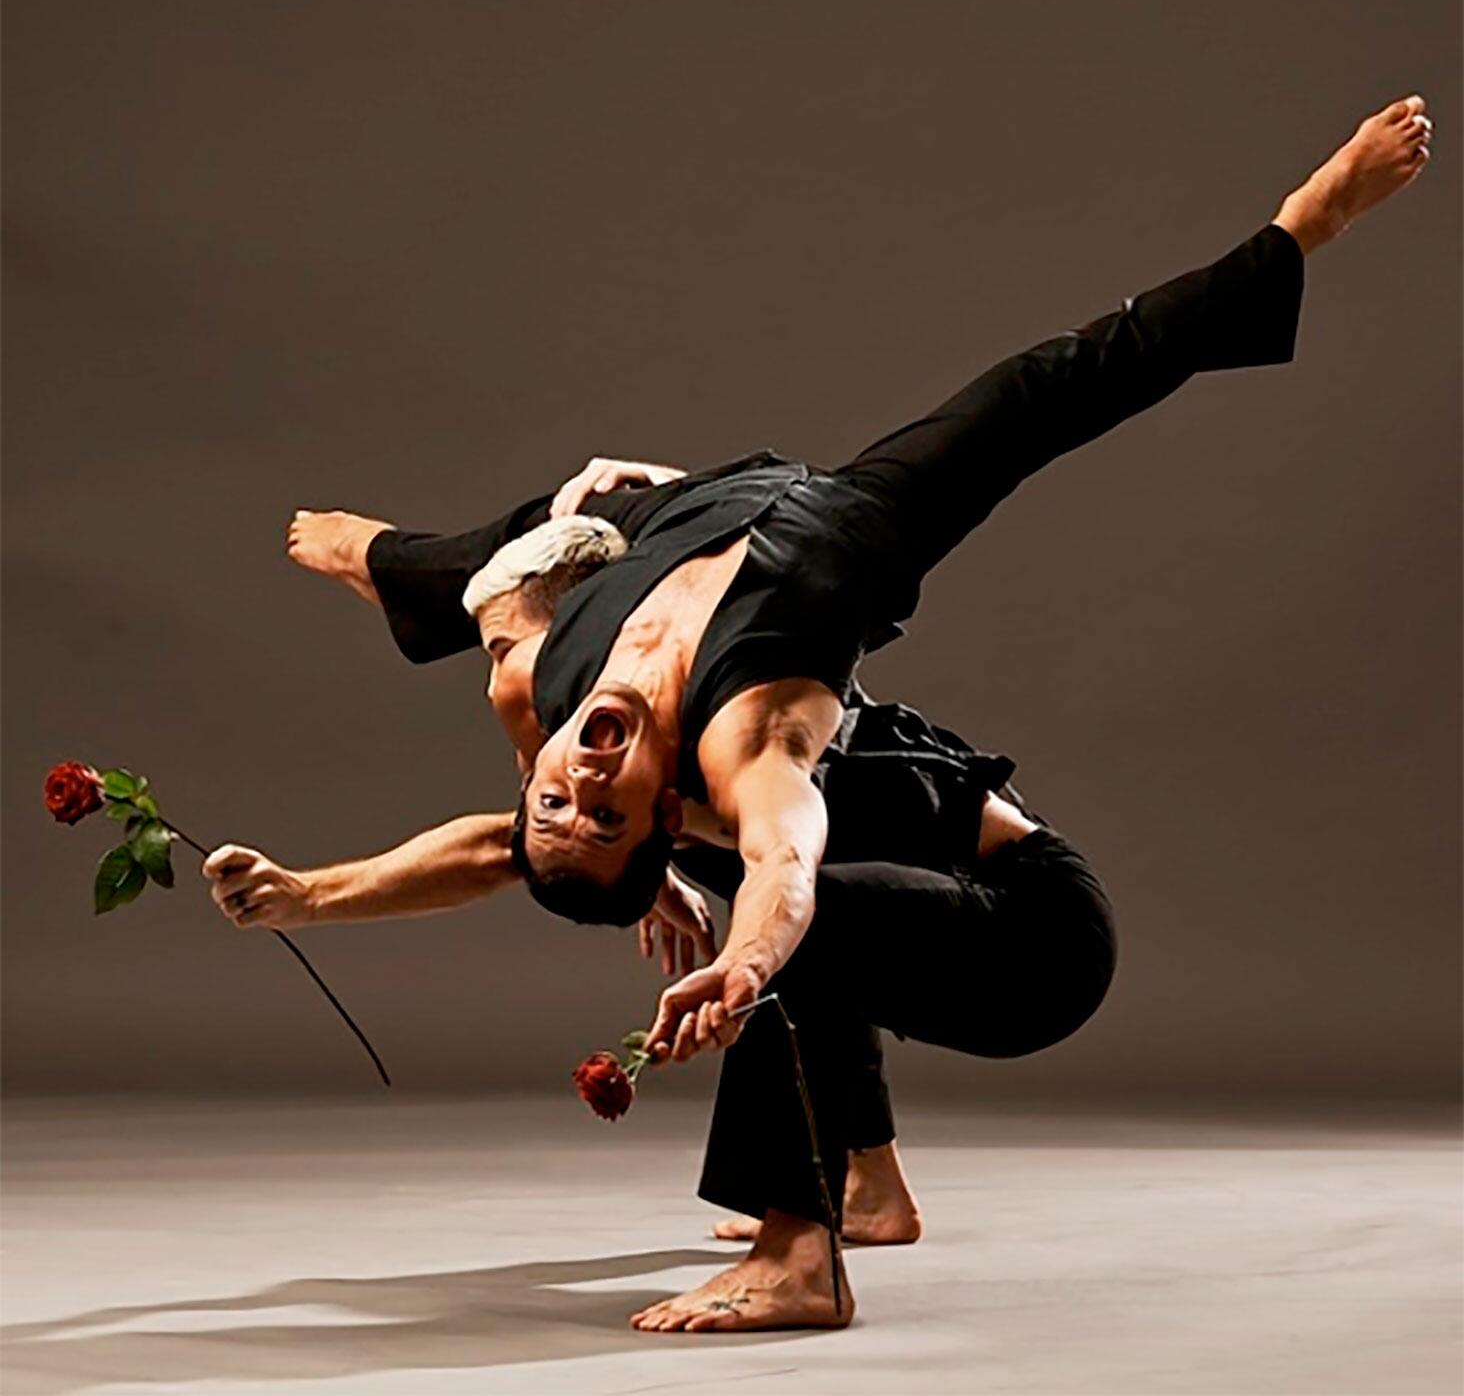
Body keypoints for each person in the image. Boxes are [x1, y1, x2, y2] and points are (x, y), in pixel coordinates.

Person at [245, 97, 1430, 1331]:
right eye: (607, 817)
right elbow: (782, 867)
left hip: (740, 527)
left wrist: (368, 572)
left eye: (559, 797)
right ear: (670, 809)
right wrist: (744, 959)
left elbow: (497, 690)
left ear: (537, 764)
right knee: (1040, 398)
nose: (581, 784)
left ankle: (855, 1202)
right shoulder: (752, 739)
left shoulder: (535, 678)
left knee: (547, 533)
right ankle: (802, 1248)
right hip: (1035, 943)